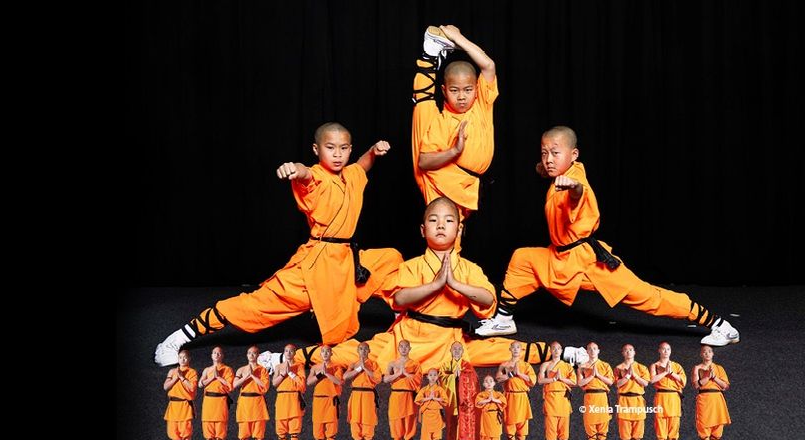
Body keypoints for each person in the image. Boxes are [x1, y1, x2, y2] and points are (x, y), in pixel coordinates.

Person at [154, 123, 403, 366]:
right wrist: (294, 168)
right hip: (317, 263)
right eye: (330, 147)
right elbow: (305, 174)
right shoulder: (317, 176)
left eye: (343, 148)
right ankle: (178, 338)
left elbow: (362, 165)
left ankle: (406, 322)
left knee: (389, 259)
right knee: (256, 306)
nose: (337, 154)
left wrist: (373, 152)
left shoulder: (351, 175)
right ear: (316, 149)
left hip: (345, 259)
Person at [475, 125, 741, 348]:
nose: (549, 159)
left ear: (574, 155)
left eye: (555, 153)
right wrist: (544, 168)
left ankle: (720, 325)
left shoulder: (574, 181)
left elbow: (579, 193)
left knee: (648, 298)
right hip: (561, 257)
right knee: (523, 258)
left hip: (587, 262)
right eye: (544, 153)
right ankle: (504, 318)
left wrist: (574, 188)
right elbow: (547, 170)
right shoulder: (563, 171)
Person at [260, 197, 586, 374]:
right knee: (353, 352)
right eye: (434, 220)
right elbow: (400, 300)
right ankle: (284, 359)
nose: (441, 225)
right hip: (407, 337)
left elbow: (487, 301)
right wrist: (435, 285)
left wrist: (455, 283)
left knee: (501, 350)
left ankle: (565, 353)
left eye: (449, 221)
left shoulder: (468, 268)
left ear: (459, 231)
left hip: (450, 340)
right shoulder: (412, 266)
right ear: (422, 230)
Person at [411, 25, 497, 219]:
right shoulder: (441, 121)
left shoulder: (481, 104)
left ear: (476, 89)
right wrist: (454, 151)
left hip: (468, 185)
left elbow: (488, 65)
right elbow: (423, 162)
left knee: (454, 228)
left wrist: (459, 39)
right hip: (440, 182)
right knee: (423, 105)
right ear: (444, 91)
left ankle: (432, 51)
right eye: (454, 90)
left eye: (468, 90)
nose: (462, 97)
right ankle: (430, 52)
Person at [496, 341, 536, 440]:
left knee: (522, 425)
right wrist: (510, 375)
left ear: (521, 350)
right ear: (510, 349)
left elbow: (532, 381)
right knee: (510, 424)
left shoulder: (526, 365)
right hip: (509, 396)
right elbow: (498, 378)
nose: (516, 349)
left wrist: (519, 374)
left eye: (518, 347)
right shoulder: (504, 365)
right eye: (513, 347)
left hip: (522, 396)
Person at [439, 342, 478, 440]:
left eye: (459, 349)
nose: (457, 351)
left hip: (464, 401)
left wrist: (462, 376)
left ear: (462, 351)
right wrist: (453, 377)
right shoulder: (445, 365)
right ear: (450, 351)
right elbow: (441, 378)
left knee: (463, 425)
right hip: (452, 400)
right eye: (454, 349)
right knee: (451, 425)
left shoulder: (467, 365)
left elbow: (474, 381)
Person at [538, 342, 577, 440]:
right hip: (550, 398)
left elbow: (574, 382)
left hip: (563, 398)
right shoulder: (545, 365)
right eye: (554, 348)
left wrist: (561, 379)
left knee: (563, 427)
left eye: (558, 348)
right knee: (550, 426)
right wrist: (553, 379)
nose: (556, 350)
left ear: (561, 350)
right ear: (550, 350)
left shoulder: (567, 366)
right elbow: (540, 380)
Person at [385, 340, 423, 440]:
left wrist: (405, 373)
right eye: (401, 346)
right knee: (395, 423)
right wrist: (398, 374)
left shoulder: (415, 364)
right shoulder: (392, 363)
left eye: (406, 346)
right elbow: (386, 379)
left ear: (410, 348)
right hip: (395, 396)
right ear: (398, 348)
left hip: (409, 396)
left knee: (409, 423)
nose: (403, 348)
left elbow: (418, 380)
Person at [307, 345, 346, 440]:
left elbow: (339, 382)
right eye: (323, 351)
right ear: (320, 354)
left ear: (331, 353)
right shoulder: (315, 368)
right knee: (317, 428)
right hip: (318, 400)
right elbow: (309, 382)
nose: (325, 353)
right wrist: (320, 374)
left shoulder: (337, 367)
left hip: (331, 400)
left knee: (331, 427)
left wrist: (327, 374)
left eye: (327, 351)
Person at [344, 342, 382, 440]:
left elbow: (378, 379)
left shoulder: (373, 364)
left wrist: (366, 368)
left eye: (366, 349)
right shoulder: (353, 364)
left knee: (368, 422)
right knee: (355, 422)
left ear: (369, 351)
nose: (363, 351)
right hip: (355, 395)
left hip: (368, 395)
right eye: (361, 348)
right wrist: (358, 369)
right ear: (357, 350)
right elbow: (345, 377)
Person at [577, 342, 615, 440]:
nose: (592, 351)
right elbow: (580, 383)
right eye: (590, 349)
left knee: (603, 424)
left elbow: (610, 382)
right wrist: (591, 376)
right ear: (587, 351)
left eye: (594, 348)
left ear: (598, 351)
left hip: (602, 396)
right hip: (589, 397)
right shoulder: (582, 366)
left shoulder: (605, 365)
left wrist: (598, 375)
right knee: (590, 424)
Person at [649, 342, 686, 440]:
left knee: (674, 423)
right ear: (659, 351)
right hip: (661, 396)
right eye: (663, 349)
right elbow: (652, 380)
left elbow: (683, 381)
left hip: (674, 397)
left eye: (668, 349)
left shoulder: (677, 366)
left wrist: (671, 373)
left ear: (670, 351)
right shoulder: (655, 365)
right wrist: (665, 372)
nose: (666, 351)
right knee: (660, 423)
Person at [693, 346, 731, 440]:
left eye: (709, 351)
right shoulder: (697, 368)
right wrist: (707, 377)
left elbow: (725, 386)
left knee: (718, 424)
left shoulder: (719, 368)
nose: (707, 354)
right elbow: (696, 385)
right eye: (704, 352)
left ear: (713, 354)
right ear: (701, 354)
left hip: (717, 398)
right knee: (704, 423)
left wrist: (715, 378)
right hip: (704, 398)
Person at [234, 346, 271, 440]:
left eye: (254, 353)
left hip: (258, 402)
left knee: (258, 429)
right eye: (249, 353)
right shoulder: (241, 370)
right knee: (243, 429)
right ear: (247, 355)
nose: (251, 355)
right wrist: (246, 376)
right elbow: (234, 385)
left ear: (258, 355)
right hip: (244, 402)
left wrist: (253, 376)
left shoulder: (263, 370)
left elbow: (265, 387)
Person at [615, 344, 650, 440]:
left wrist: (635, 375)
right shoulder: (618, 368)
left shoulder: (642, 367)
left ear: (634, 352)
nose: (628, 352)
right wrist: (627, 376)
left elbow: (645, 383)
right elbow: (617, 384)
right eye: (625, 350)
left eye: (630, 350)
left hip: (637, 399)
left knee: (638, 427)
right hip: (624, 399)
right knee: (624, 428)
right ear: (622, 353)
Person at [201, 347, 236, 440]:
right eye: (215, 353)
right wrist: (212, 377)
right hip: (208, 400)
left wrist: (219, 377)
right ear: (211, 355)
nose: (217, 355)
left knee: (220, 426)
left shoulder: (228, 369)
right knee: (207, 425)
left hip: (220, 400)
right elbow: (200, 384)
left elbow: (230, 386)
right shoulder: (207, 370)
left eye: (219, 353)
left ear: (222, 356)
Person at [272, 344, 306, 440]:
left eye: (291, 351)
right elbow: (274, 384)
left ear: (295, 353)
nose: (288, 353)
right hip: (281, 398)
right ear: (284, 352)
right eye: (286, 351)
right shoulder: (278, 367)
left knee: (294, 427)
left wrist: (291, 373)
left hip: (294, 397)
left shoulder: (299, 366)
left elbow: (302, 384)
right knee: (280, 427)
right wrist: (283, 374)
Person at [164, 350, 199, 440]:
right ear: (177, 359)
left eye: (185, 357)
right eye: (180, 357)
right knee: (172, 430)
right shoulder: (172, 372)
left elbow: (192, 388)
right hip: (173, 405)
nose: (182, 360)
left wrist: (182, 377)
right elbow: (165, 387)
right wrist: (176, 377)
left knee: (185, 430)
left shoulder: (192, 372)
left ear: (189, 359)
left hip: (184, 405)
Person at [415, 367, 448, 440]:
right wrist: (429, 398)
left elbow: (445, 400)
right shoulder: (424, 389)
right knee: (427, 437)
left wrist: (435, 398)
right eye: (430, 375)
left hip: (437, 415)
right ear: (427, 377)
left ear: (437, 377)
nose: (433, 377)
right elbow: (417, 400)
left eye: (435, 375)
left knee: (436, 437)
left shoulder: (440, 389)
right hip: (427, 415)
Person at [474, 374, 506, 440]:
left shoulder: (498, 394)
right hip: (486, 417)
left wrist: (494, 400)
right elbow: (478, 402)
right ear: (483, 384)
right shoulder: (481, 394)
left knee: (495, 436)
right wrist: (488, 400)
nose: (488, 383)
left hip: (495, 416)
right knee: (485, 436)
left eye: (491, 381)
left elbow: (503, 401)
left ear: (494, 383)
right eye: (486, 381)